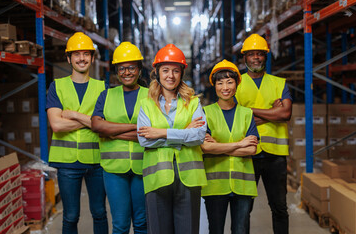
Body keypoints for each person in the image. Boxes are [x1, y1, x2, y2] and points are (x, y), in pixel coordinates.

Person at [137, 44, 207, 234]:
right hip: (157, 178)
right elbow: (144, 140)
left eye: (176, 71)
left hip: (189, 179)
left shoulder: (193, 102)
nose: (170, 76)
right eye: (165, 70)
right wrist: (184, 133)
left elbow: (199, 135)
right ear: (157, 72)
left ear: (181, 73)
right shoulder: (146, 104)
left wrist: (161, 133)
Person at [46, 32, 108, 234]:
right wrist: (91, 121)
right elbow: (56, 125)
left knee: (99, 212)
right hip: (67, 163)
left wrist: (72, 115)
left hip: (97, 161)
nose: (81, 58)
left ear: (92, 57)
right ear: (68, 58)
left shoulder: (103, 88)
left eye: (86, 54)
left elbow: (104, 125)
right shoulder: (57, 86)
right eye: (76, 54)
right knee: (71, 216)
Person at [236, 34, 292, 234]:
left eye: (260, 54)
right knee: (244, 208)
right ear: (245, 58)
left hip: (275, 156)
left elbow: (285, 113)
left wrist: (249, 111)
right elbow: (235, 119)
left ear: (266, 57)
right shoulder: (236, 83)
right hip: (248, 153)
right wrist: (272, 113)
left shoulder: (279, 83)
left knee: (279, 207)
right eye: (251, 54)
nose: (256, 58)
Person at [91, 42, 148, 234]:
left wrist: (112, 130)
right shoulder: (106, 95)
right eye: (122, 68)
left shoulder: (151, 96)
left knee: (141, 223)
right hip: (113, 169)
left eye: (131, 67)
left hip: (144, 167)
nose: (126, 72)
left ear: (139, 69)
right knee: (120, 224)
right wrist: (135, 128)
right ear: (116, 71)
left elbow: (155, 132)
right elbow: (97, 126)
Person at [201, 59, 259, 234]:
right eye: (220, 83)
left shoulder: (246, 113)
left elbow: (252, 149)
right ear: (214, 86)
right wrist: (240, 144)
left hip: (243, 186)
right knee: (216, 230)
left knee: (241, 230)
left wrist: (219, 146)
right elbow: (205, 147)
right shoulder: (206, 113)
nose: (225, 87)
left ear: (236, 84)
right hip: (215, 186)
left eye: (229, 82)